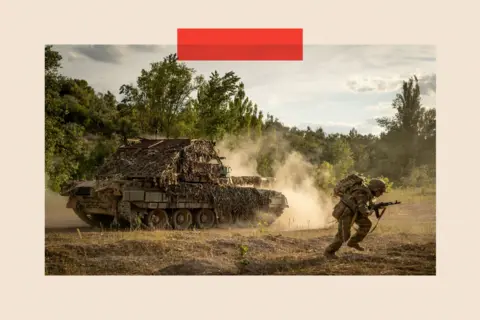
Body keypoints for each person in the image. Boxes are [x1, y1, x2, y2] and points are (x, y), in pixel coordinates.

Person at [324, 178, 387, 259]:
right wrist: (371, 211)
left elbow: (362, 205)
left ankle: (353, 242)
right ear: (375, 189)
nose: (381, 194)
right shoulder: (362, 193)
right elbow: (363, 210)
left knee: (366, 224)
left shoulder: (367, 193)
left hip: (353, 212)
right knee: (344, 235)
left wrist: (375, 206)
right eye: (381, 191)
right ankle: (329, 251)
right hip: (345, 213)